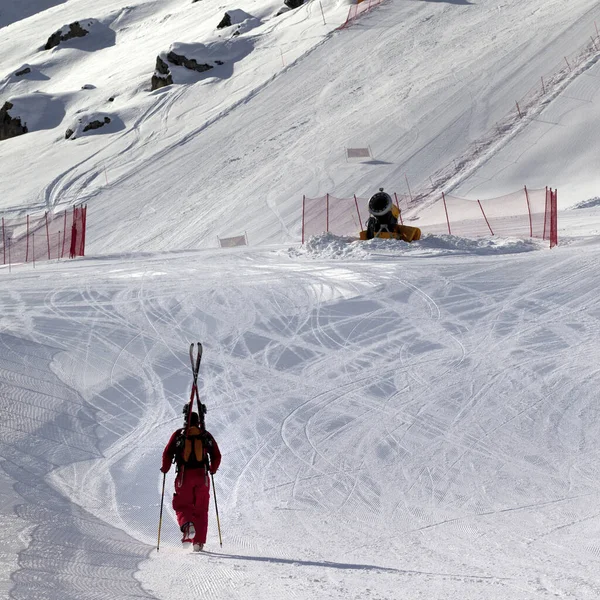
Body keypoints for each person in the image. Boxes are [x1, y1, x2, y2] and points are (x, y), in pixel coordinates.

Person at [161, 411, 221, 552]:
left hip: (184, 477)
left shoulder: (179, 435)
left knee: (182, 505)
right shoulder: (205, 435)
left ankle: (187, 526)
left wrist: (165, 468)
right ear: (199, 421)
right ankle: (198, 543)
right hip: (202, 477)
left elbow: (168, 453)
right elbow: (216, 455)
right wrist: (212, 469)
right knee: (201, 509)